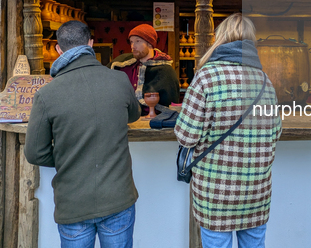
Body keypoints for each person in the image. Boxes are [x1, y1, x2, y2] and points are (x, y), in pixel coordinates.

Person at [25, 21, 141, 248]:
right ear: (91, 43)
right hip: (117, 197)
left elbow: (35, 154)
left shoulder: (47, 94)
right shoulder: (119, 80)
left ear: (59, 49)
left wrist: (69, 156)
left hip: (73, 202)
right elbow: (133, 116)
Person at [174, 13, 282, 248]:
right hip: (255, 190)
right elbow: (276, 133)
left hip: (216, 192)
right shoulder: (265, 81)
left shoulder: (206, 77)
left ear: (220, 38)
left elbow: (186, 135)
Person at [111, 23, 180, 112]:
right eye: (131, 42)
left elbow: (170, 105)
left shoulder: (165, 71)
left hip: (153, 122)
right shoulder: (124, 65)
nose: (133, 46)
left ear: (150, 43)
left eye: (137, 41)